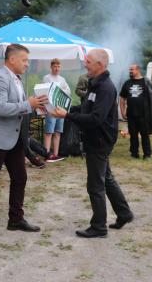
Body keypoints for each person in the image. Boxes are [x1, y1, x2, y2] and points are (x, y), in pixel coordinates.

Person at [51, 49, 133, 238]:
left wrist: (68, 116)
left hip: (99, 141)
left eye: (88, 61)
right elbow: (86, 107)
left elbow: (96, 118)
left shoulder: (105, 88)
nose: (84, 64)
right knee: (106, 178)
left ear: (100, 65)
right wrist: (68, 109)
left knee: (95, 185)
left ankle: (99, 227)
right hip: (97, 139)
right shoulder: (95, 84)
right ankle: (124, 213)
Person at [0, 44, 48, 236]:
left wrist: (35, 106)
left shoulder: (16, 79)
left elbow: (19, 107)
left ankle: (16, 219)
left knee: (20, 178)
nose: (27, 64)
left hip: (14, 138)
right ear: (12, 59)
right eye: (24, 60)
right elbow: (1, 108)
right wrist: (28, 104)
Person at [119, 64, 152, 159]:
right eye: (129, 70)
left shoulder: (146, 82)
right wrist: (122, 111)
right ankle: (134, 153)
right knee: (133, 135)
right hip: (131, 114)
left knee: (145, 135)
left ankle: (147, 154)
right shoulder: (127, 83)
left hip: (144, 114)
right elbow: (122, 98)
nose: (130, 71)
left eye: (132, 69)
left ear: (138, 70)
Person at [42, 58, 71, 162]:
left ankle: (55, 154)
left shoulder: (62, 79)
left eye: (58, 66)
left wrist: (61, 90)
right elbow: (46, 91)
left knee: (58, 132)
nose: (57, 68)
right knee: (49, 132)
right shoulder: (47, 78)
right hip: (51, 109)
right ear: (51, 67)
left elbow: (68, 91)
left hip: (60, 109)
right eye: (55, 66)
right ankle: (46, 154)